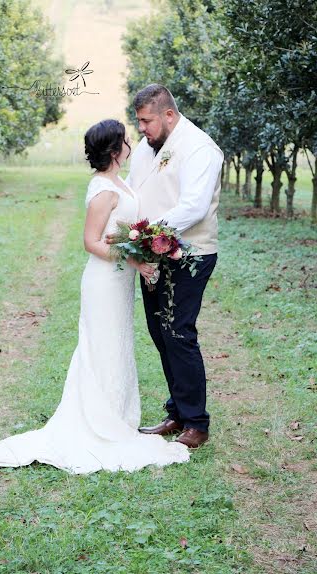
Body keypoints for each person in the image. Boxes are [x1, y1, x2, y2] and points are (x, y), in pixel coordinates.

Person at [0, 119, 190, 473]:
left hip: (118, 282)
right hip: (103, 283)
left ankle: (115, 416)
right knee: (100, 348)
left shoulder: (118, 183)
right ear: (115, 150)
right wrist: (135, 260)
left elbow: (119, 232)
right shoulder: (104, 190)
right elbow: (91, 241)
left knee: (116, 347)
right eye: (127, 141)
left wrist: (142, 248)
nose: (131, 145)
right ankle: (96, 424)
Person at [107, 84, 223, 449]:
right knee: (160, 334)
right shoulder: (148, 147)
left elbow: (194, 206)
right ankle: (177, 412)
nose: (141, 129)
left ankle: (197, 423)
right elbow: (134, 188)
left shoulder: (200, 148)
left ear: (168, 115)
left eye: (147, 121)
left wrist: (147, 236)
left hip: (190, 254)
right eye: (139, 121)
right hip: (152, 252)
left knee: (179, 333)